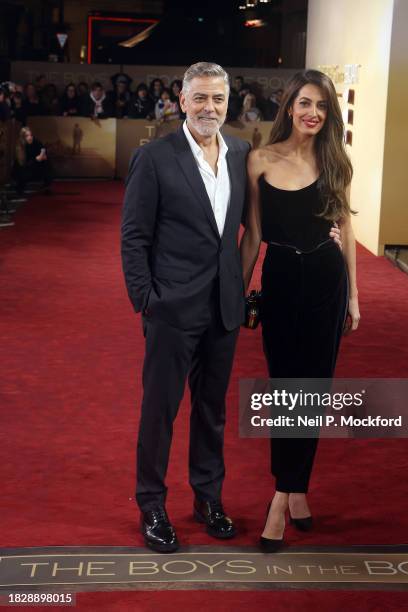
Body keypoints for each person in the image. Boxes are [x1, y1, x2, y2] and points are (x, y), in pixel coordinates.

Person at [121, 62, 252, 553]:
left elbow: (251, 226)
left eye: (217, 99)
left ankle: (208, 497)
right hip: (171, 309)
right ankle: (151, 504)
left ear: (227, 101)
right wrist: (147, 302)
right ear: (181, 100)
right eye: (199, 98)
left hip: (223, 308)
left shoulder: (240, 152)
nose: (209, 108)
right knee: (160, 411)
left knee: (212, 410)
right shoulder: (155, 157)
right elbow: (134, 236)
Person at [240, 69, 360, 552]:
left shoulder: (335, 162)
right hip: (282, 282)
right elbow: (251, 234)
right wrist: (234, 289)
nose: (313, 114)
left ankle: (282, 497)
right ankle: (295, 488)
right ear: (289, 106)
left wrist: (353, 295)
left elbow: (345, 229)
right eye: (306, 104)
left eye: (322, 107)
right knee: (286, 390)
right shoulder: (259, 161)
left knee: (314, 391)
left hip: (327, 282)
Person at [11, 126, 53, 195]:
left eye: (31, 135)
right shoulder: (20, 145)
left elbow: (44, 153)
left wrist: (41, 156)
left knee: (47, 163)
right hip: (25, 167)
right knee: (21, 169)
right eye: (27, 136)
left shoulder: (36, 142)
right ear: (23, 137)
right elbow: (22, 163)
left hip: (36, 166)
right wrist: (36, 159)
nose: (30, 137)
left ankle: (46, 186)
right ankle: (20, 188)